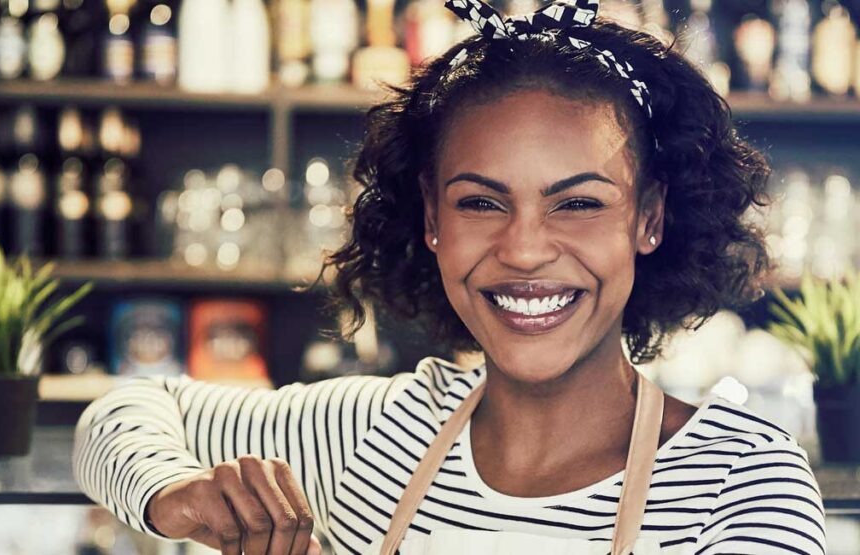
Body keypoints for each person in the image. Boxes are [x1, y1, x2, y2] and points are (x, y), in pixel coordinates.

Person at [72, 1, 827, 553]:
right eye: (481, 201)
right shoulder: (372, 432)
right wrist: (172, 495)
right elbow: (125, 411)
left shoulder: (740, 482)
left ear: (650, 219)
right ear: (432, 219)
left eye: (577, 203)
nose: (525, 249)